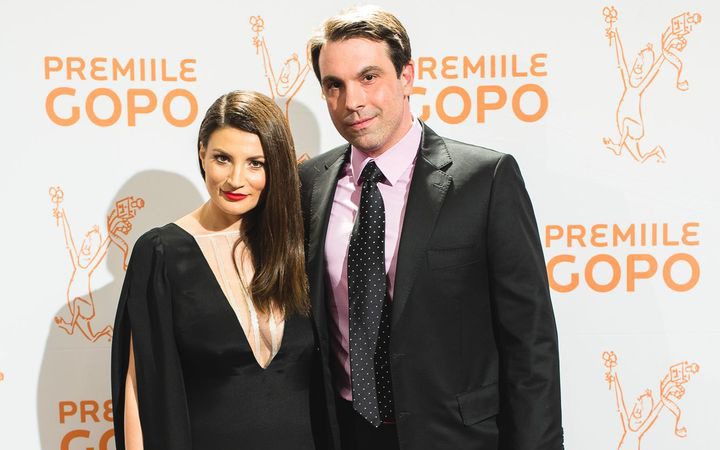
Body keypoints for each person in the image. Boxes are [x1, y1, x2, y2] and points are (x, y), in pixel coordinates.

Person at [299, 6, 563, 450]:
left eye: (369, 77)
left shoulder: (485, 180)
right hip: (347, 433)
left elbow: (530, 341)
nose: (353, 101)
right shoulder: (309, 184)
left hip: (457, 437)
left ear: (407, 76)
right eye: (334, 85)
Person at [111, 90, 326, 450]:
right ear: (202, 155)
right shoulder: (161, 253)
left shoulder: (300, 245)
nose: (236, 179)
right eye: (222, 159)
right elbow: (139, 386)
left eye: (255, 163)